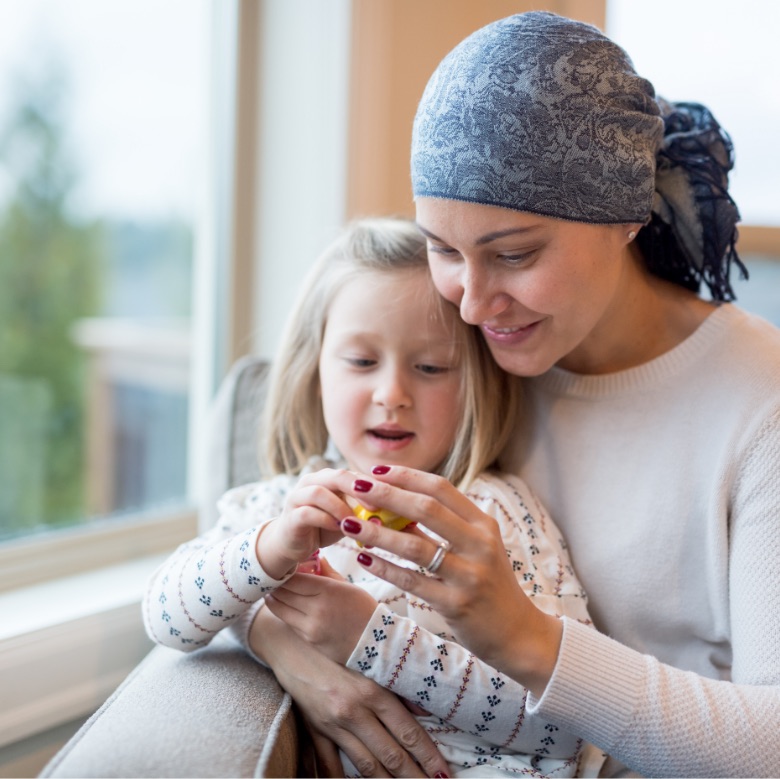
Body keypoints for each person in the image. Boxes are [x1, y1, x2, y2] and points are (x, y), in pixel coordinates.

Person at [276, 10, 779, 779]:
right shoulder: (458, 361)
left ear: (625, 218)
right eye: (445, 249)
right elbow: (257, 520)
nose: (472, 303)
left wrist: (526, 639)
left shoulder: (760, 405)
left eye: (513, 254)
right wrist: (280, 641)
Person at [142, 217, 597, 778]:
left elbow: (566, 730)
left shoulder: (491, 514)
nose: (391, 395)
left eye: (430, 367)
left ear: (477, 382)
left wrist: (373, 639)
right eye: (361, 362)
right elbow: (165, 617)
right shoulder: (279, 506)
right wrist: (267, 553)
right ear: (315, 374)